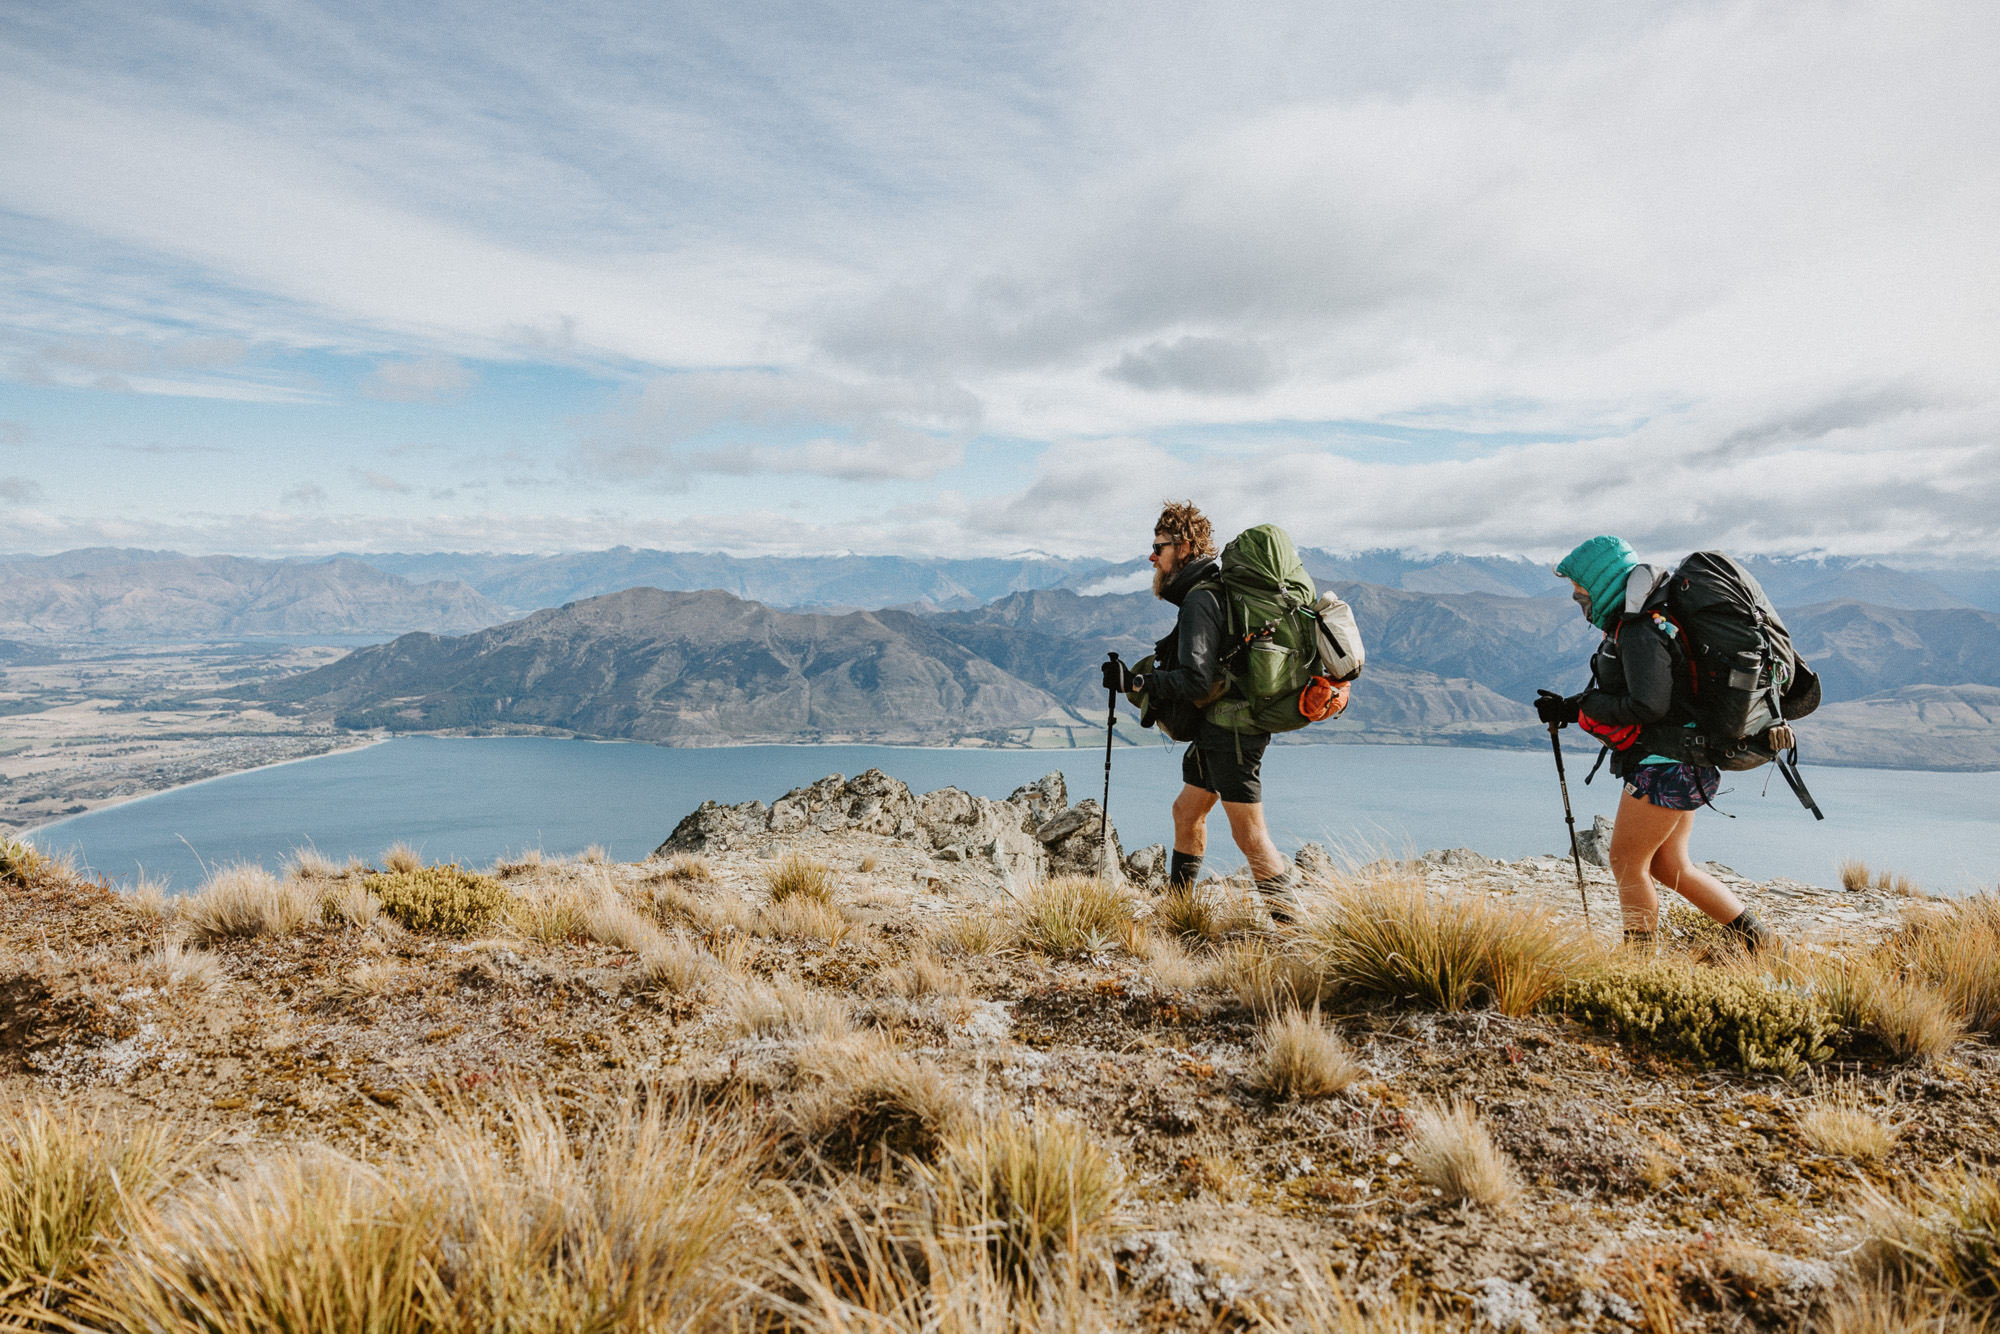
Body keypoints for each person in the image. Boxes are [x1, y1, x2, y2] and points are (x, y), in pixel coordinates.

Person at [1536, 535, 1775, 951]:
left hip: (1667, 762)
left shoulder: (1639, 629)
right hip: (1687, 756)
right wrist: (1571, 708)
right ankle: (1764, 945)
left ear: (1603, 582)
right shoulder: (1647, 619)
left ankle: (1638, 964)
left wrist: (1584, 706)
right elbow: (1648, 695)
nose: (1578, 599)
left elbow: (1647, 705)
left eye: (1581, 589)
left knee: (1626, 862)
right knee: (1670, 865)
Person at [1101, 501, 1300, 922]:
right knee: (1186, 812)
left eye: (1159, 547)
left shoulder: (1201, 599)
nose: (1152, 557)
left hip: (1233, 731)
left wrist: (1136, 683)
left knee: (1250, 835)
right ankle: (1177, 913)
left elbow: (1195, 681)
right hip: (1217, 726)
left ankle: (1294, 930)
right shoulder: (1209, 590)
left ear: (1185, 547)